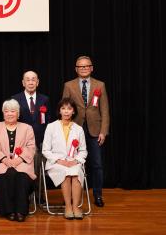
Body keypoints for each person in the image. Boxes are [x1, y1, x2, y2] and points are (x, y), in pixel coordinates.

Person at [62, 55, 109, 207]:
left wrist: (103, 131)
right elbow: (64, 109)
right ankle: (75, 196)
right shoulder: (69, 85)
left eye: (86, 66)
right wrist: (66, 131)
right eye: (80, 66)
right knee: (73, 163)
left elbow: (105, 110)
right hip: (75, 130)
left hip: (95, 130)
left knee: (96, 164)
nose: (83, 68)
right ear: (76, 69)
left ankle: (98, 194)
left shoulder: (100, 85)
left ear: (91, 68)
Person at [0, 99, 36, 222]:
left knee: (21, 176)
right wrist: (4, 160)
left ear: (18, 114)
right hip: (0, 164)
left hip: (22, 163)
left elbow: (31, 147)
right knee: (4, 175)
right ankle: (8, 210)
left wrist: (19, 160)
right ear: (3, 113)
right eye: (6, 111)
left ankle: (20, 211)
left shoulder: (27, 128)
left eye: (13, 111)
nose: (9, 114)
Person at [42, 98, 87, 220]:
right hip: (56, 162)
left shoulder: (79, 129)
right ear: (59, 111)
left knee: (76, 172)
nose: (66, 111)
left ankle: (76, 206)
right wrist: (60, 161)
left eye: (69, 108)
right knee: (66, 173)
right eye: (63, 108)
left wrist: (75, 161)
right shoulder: (51, 127)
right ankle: (68, 207)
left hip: (73, 161)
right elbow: (45, 150)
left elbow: (83, 151)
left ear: (73, 111)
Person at [11, 70, 52, 178]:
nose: (30, 82)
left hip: (40, 141)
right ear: (23, 83)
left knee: (38, 166)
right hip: (21, 141)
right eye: (27, 80)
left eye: (33, 80)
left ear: (37, 82)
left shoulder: (45, 99)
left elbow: (48, 122)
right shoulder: (15, 99)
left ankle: (39, 193)